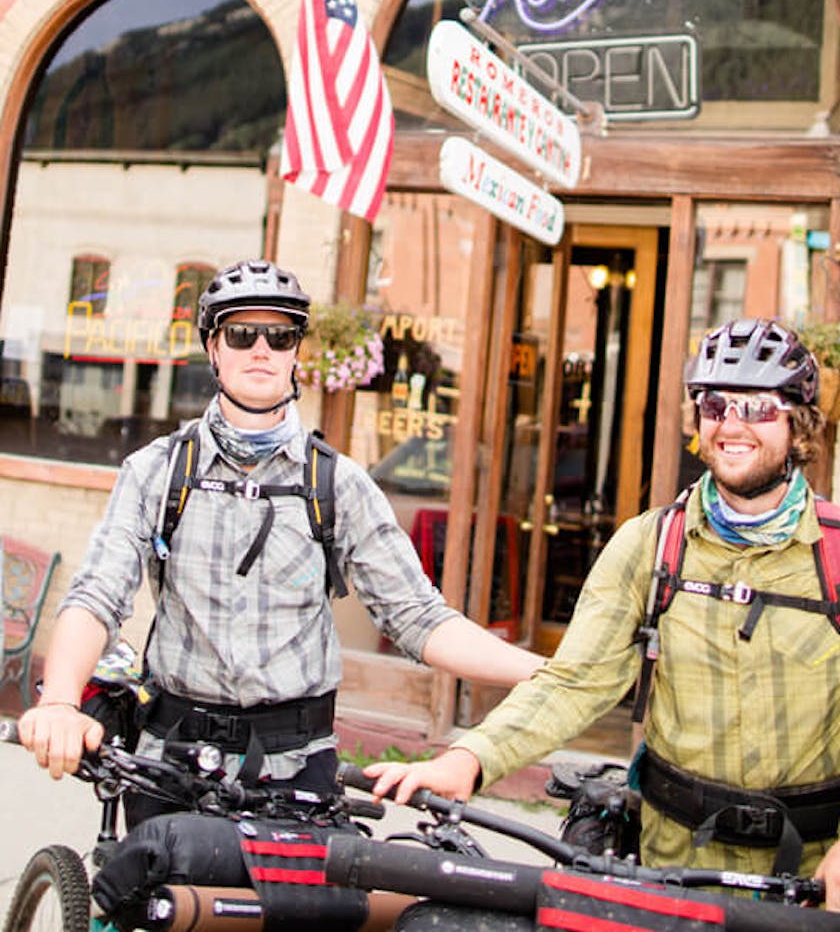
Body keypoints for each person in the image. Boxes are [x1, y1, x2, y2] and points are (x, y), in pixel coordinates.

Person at [19, 258, 542, 813]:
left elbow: (418, 619)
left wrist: (540, 672)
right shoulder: (157, 471)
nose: (261, 349)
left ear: (297, 351)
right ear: (214, 348)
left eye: (281, 334)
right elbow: (98, 596)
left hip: (297, 763)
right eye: (242, 334)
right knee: (149, 893)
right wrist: (58, 701)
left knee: (305, 901)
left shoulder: (337, 483)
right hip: (172, 758)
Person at [367, 317, 840, 911]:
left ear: (799, 423)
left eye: (758, 408)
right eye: (715, 404)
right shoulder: (652, 544)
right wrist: (470, 757)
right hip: (671, 868)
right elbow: (577, 680)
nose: (732, 425)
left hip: (804, 881)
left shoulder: (835, 554)